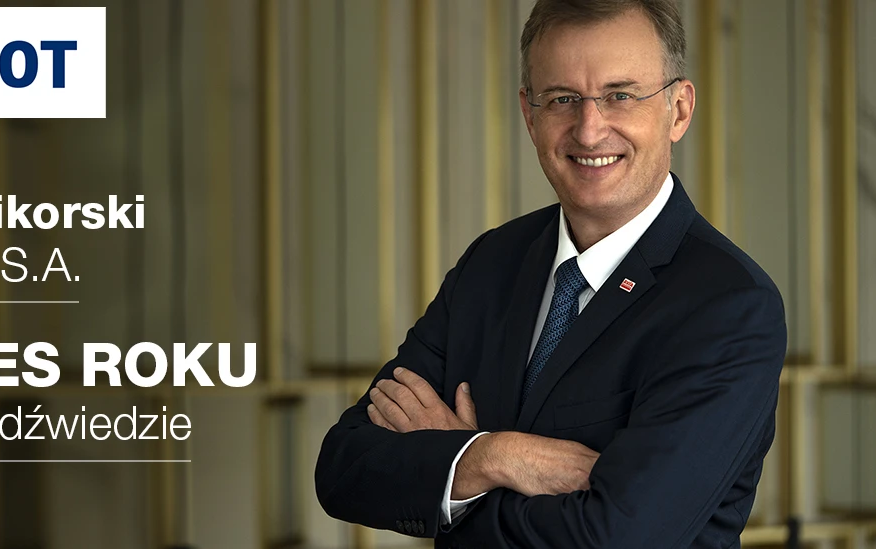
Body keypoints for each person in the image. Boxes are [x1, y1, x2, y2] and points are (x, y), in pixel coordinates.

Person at [314, 0, 787, 547]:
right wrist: (493, 455)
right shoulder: (492, 263)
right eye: (563, 99)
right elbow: (344, 468)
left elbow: (618, 538)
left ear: (678, 110)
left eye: (620, 95)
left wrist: (450, 470)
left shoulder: (728, 305)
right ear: (529, 114)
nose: (589, 131)